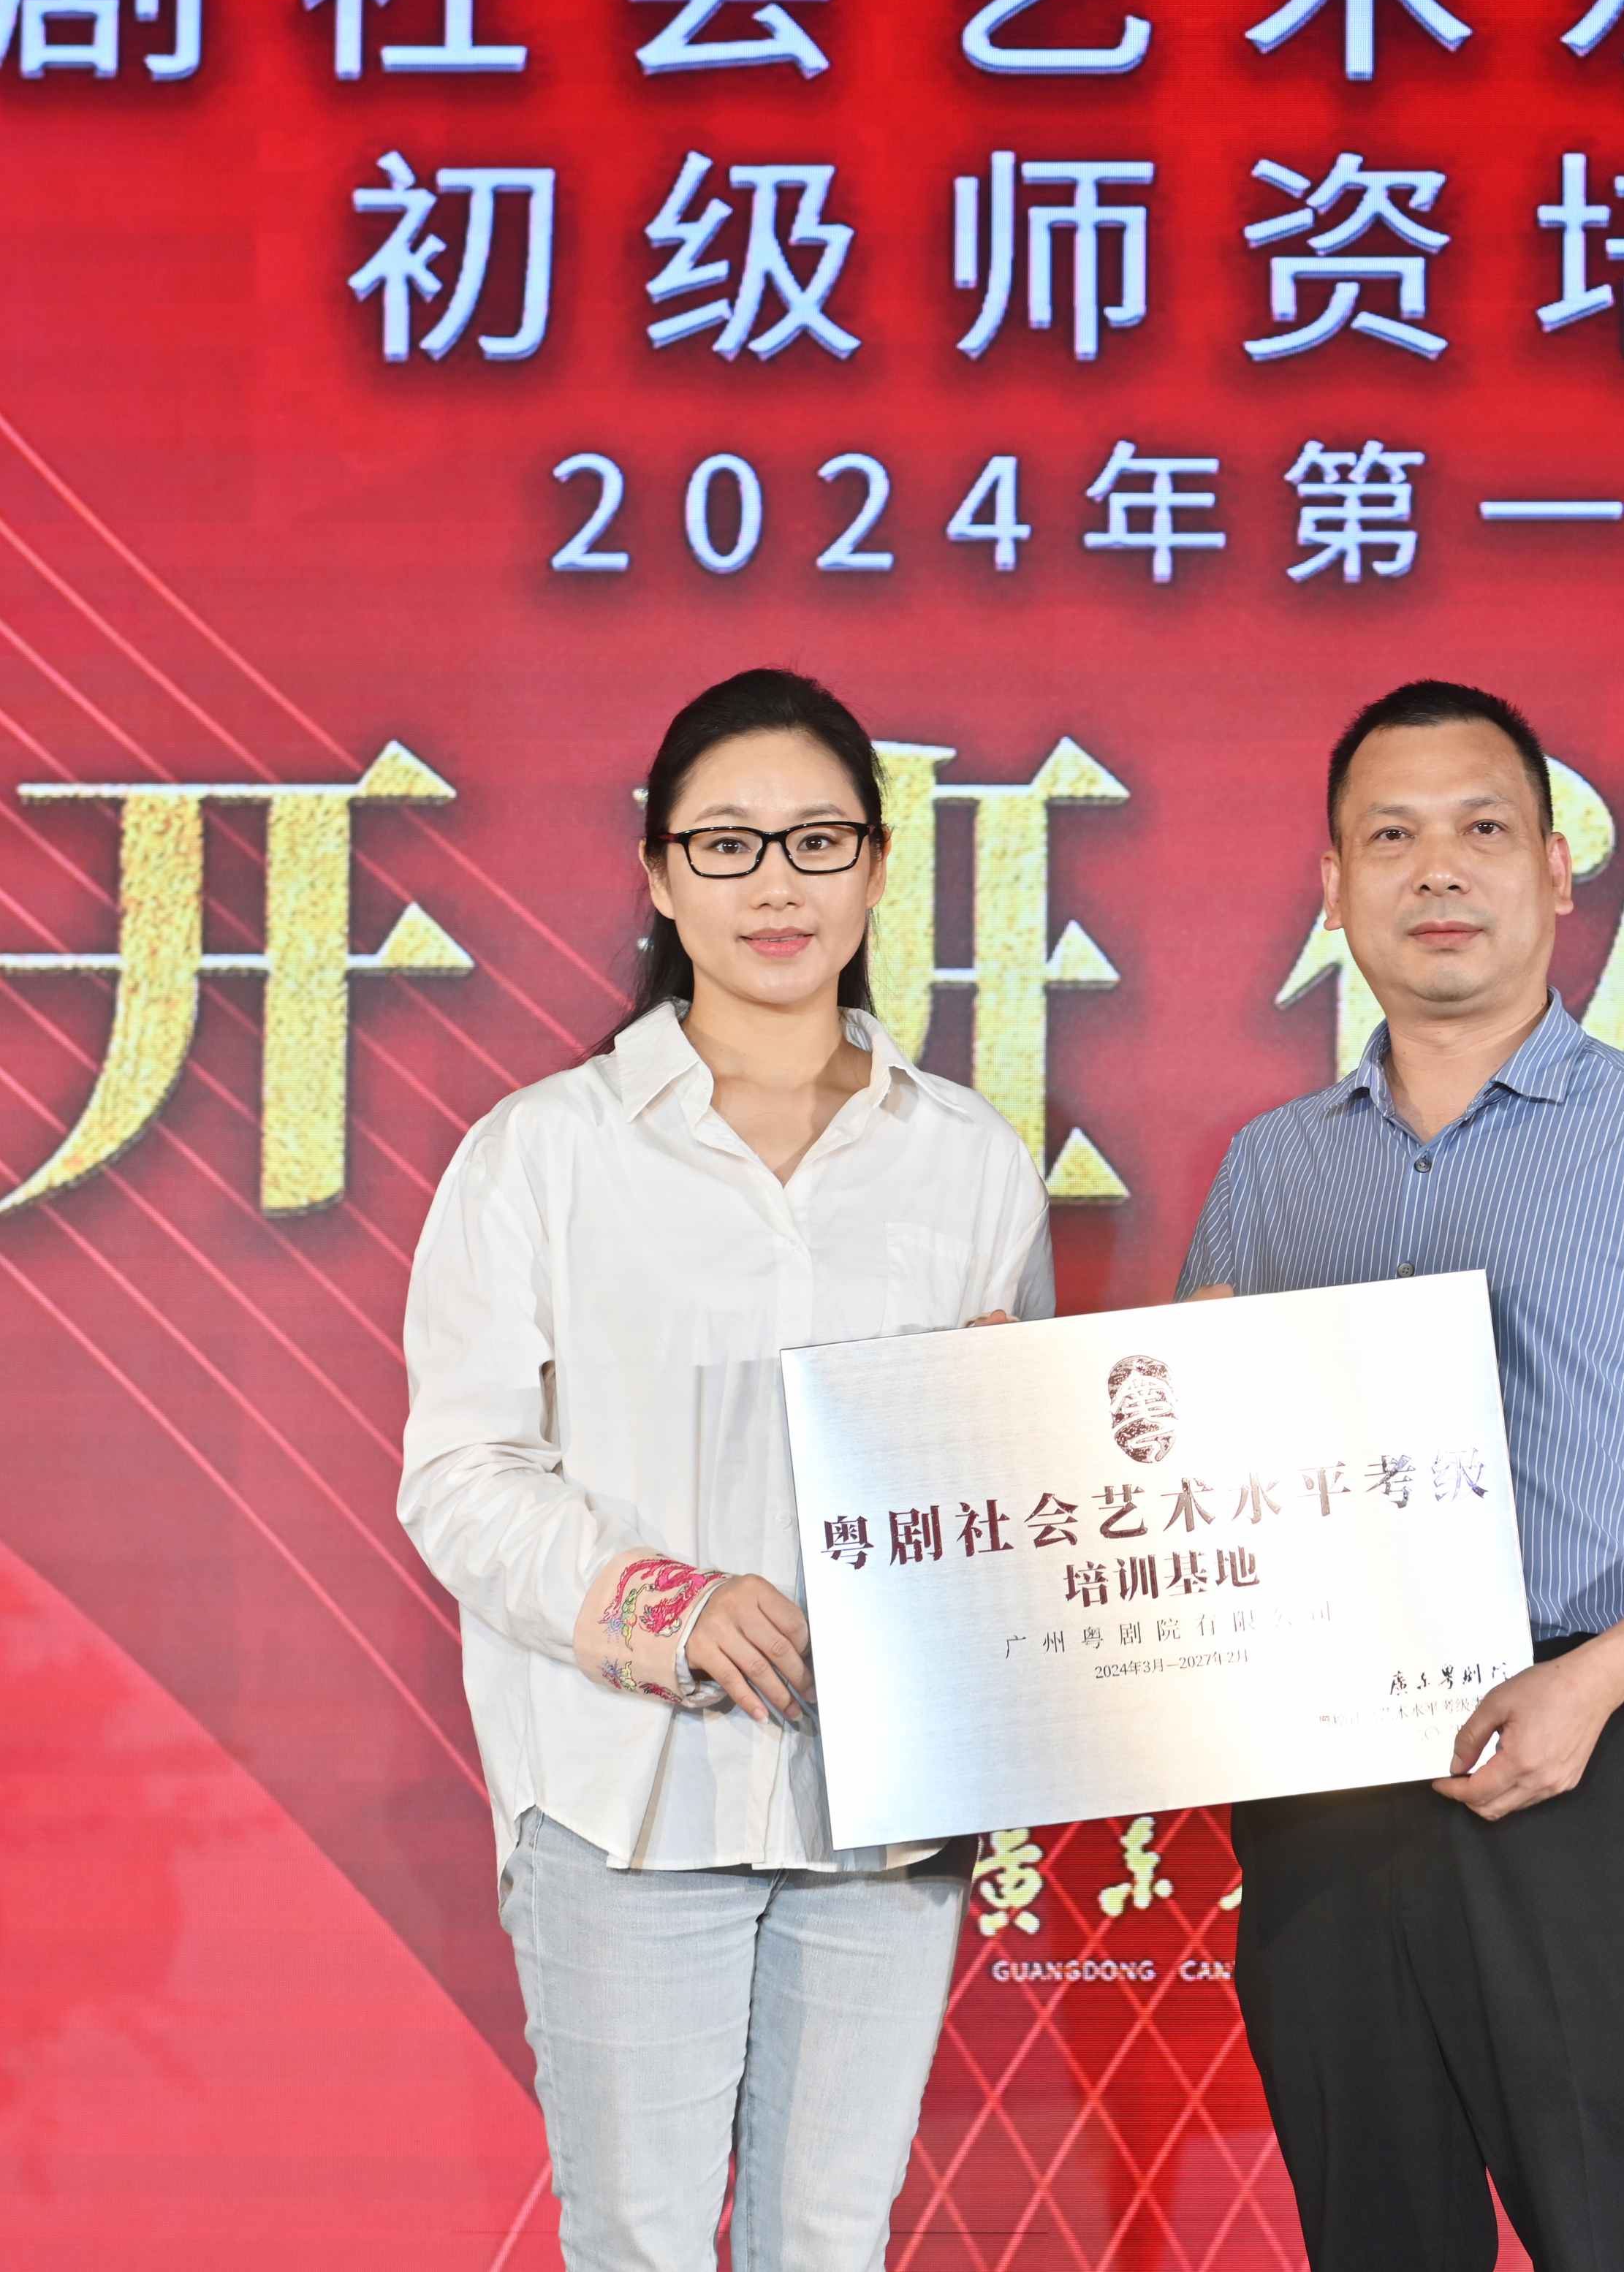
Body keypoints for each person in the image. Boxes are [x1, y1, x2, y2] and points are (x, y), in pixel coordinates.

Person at [1180, 678, 1624, 2272]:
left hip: (1584, 1761)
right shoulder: (1270, 1170)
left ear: (1555, 869)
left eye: (1481, 829)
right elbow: (1194, 1466)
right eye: (1389, 837)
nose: (1437, 869)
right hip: (1323, 1783)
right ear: (1333, 886)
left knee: (1617, 2240)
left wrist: (1591, 1687)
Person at [399, 667, 1054, 2272]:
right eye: (728, 843)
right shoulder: (542, 1151)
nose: (777, 883)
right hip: (625, 1789)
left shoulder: (968, 1162)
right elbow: (462, 1474)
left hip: (882, 1804)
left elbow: (1014, 1484)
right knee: (638, 2240)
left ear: (879, 869)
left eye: (818, 840)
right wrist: (670, 1606)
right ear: (660, 874)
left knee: (829, 2239)